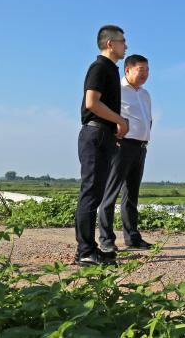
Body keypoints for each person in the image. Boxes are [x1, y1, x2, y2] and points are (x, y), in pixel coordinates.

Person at [75, 25, 130, 266]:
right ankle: (85, 251)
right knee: (91, 193)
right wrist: (120, 120)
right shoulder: (99, 67)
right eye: (122, 41)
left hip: (103, 134)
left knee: (95, 193)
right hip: (95, 133)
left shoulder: (110, 69)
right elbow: (92, 103)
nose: (125, 46)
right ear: (110, 43)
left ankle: (89, 248)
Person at [98, 54, 154, 252]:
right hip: (122, 146)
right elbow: (104, 113)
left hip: (140, 147)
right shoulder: (117, 90)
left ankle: (132, 237)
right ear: (128, 70)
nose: (145, 74)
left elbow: (148, 119)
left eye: (147, 70)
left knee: (131, 195)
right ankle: (106, 239)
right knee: (111, 193)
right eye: (141, 70)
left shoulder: (145, 94)